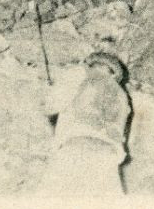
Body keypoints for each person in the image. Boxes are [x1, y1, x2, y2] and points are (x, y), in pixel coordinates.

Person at [37, 52, 131, 194]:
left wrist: (49, 90)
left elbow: (49, 107)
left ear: (90, 64)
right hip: (108, 158)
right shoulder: (122, 95)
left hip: (76, 148)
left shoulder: (80, 75)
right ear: (114, 73)